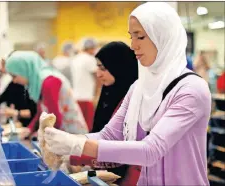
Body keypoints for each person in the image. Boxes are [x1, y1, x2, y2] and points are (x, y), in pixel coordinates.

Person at [43, 2, 211, 185]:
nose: (133, 46)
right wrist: (68, 142)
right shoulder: (139, 88)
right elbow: (109, 136)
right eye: (131, 37)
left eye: (140, 37)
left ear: (163, 36)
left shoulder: (191, 89)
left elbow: (151, 150)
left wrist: (77, 145)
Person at [69, 41, 140, 185]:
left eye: (103, 68)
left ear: (118, 67)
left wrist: (80, 156)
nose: (98, 73)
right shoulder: (108, 93)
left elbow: (117, 143)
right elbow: (99, 132)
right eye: (97, 67)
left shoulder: (134, 99)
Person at [5, 51, 88, 135]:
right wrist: (29, 130)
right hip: (61, 134)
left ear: (25, 70)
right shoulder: (37, 82)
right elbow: (41, 113)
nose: (14, 81)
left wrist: (39, 134)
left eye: (14, 76)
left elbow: (54, 120)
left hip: (72, 135)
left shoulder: (49, 82)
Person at [0, 59, 37, 127]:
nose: (14, 80)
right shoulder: (13, 84)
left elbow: (34, 113)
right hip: (19, 124)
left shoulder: (33, 87)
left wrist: (16, 113)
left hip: (26, 125)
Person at [71, 38, 99, 131]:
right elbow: (98, 77)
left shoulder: (75, 59)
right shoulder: (90, 59)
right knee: (88, 128)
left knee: (79, 127)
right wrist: (96, 95)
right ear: (90, 48)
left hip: (76, 98)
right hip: (87, 98)